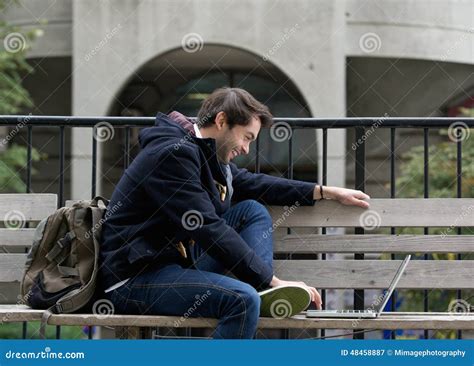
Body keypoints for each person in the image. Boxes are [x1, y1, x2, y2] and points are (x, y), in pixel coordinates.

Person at [99, 87, 370, 339]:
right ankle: (260, 290)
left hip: (170, 263)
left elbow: (254, 184)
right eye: (246, 137)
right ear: (221, 121)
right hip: (134, 277)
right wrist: (270, 278)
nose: (246, 149)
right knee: (242, 300)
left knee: (250, 211)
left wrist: (323, 191)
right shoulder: (173, 154)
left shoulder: (203, 154)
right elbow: (207, 227)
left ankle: (262, 291)